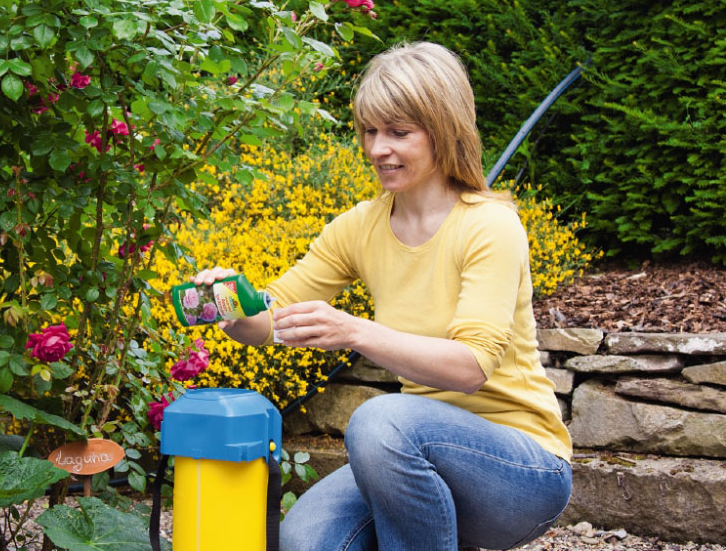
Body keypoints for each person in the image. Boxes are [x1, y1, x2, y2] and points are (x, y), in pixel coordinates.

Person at [190, 41, 572, 551]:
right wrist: (231, 305)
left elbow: (470, 367)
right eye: (370, 131)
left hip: (521, 472)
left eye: (398, 133)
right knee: (304, 541)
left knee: (378, 419)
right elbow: (271, 318)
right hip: (409, 457)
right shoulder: (360, 227)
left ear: (444, 130)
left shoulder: (489, 226)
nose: (377, 149)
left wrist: (354, 330)